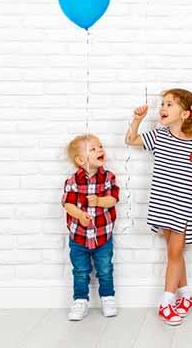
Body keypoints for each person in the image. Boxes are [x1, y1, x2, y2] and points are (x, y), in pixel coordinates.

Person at [126, 88, 192, 326]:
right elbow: (131, 140)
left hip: (185, 206)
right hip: (163, 203)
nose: (162, 108)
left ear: (185, 114)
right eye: (163, 104)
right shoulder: (159, 136)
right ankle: (185, 295)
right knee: (175, 253)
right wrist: (137, 120)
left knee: (174, 254)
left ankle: (166, 302)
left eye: (170, 104)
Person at [62, 134, 119, 321]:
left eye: (100, 146)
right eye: (93, 149)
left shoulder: (109, 177)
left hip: (103, 236)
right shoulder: (73, 181)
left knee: (105, 269)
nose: (100, 150)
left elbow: (113, 200)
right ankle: (80, 300)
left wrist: (99, 201)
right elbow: (68, 204)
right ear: (80, 160)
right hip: (78, 236)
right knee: (80, 270)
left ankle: (108, 297)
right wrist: (80, 215)